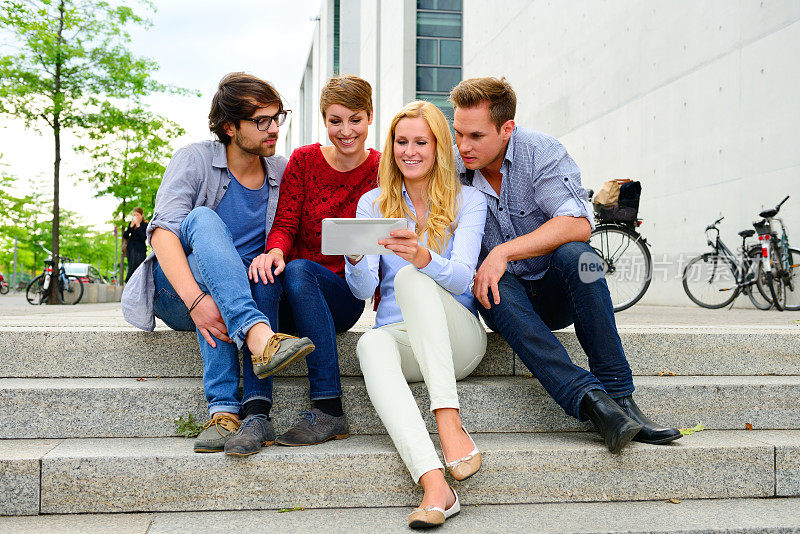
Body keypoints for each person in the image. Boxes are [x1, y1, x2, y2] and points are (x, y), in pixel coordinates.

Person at [449, 76, 681, 454]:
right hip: (504, 299)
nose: (463, 146)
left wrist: (503, 251)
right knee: (492, 285)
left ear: (507, 129)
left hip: (556, 294)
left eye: (476, 136)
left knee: (582, 256)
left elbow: (578, 222)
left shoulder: (541, 152)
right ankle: (595, 404)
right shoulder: (453, 166)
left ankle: (621, 396)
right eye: (458, 133)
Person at [122, 72, 315, 456]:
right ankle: (258, 338)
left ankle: (225, 413)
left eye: (278, 117)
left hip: (235, 293)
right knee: (201, 219)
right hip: (178, 291)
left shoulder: (280, 170)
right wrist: (196, 301)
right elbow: (161, 235)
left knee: (243, 276)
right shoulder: (194, 159)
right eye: (262, 121)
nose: (274, 128)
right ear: (229, 126)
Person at [346, 101, 488, 529]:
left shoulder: (470, 200)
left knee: (410, 278)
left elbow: (464, 279)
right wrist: (355, 259)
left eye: (420, 142)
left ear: (438, 147)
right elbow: (361, 290)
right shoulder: (373, 204)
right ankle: (434, 484)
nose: (409, 151)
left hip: (458, 338)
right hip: (403, 337)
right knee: (371, 342)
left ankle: (448, 421)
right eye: (401, 142)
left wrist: (425, 258)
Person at [252, 74, 380, 446]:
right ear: (324, 119)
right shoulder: (305, 160)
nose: (345, 131)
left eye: (355, 119)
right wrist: (274, 249)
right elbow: (285, 223)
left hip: (342, 295)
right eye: (335, 120)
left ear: (369, 117)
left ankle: (329, 408)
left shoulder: (381, 168)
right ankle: (256, 412)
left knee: (299, 269)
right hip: (294, 289)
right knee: (267, 272)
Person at [122, 207, 148, 283]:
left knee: (138, 268)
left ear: (142, 215)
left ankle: (135, 283)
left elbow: (143, 237)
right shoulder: (131, 224)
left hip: (140, 251)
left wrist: (138, 225)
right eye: (134, 215)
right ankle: (128, 283)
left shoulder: (145, 225)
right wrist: (130, 228)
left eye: (137, 215)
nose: (135, 217)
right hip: (131, 250)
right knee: (131, 267)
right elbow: (125, 236)